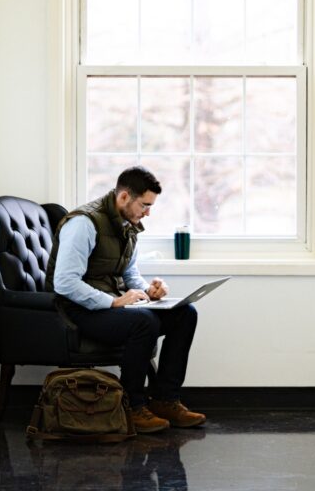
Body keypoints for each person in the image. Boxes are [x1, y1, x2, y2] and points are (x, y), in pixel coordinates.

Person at [45, 166, 206, 433]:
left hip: (108, 303)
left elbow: (129, 273)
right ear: (123, 197)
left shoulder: (127, 224)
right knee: (144, 322)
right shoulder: (83, 224)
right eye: (145, 205)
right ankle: (132, 406)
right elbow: (65, 283)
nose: (148, 213)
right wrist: (114, 302)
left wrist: (149, 290)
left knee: (185, 313)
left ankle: (165, 400)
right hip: (77, 309)